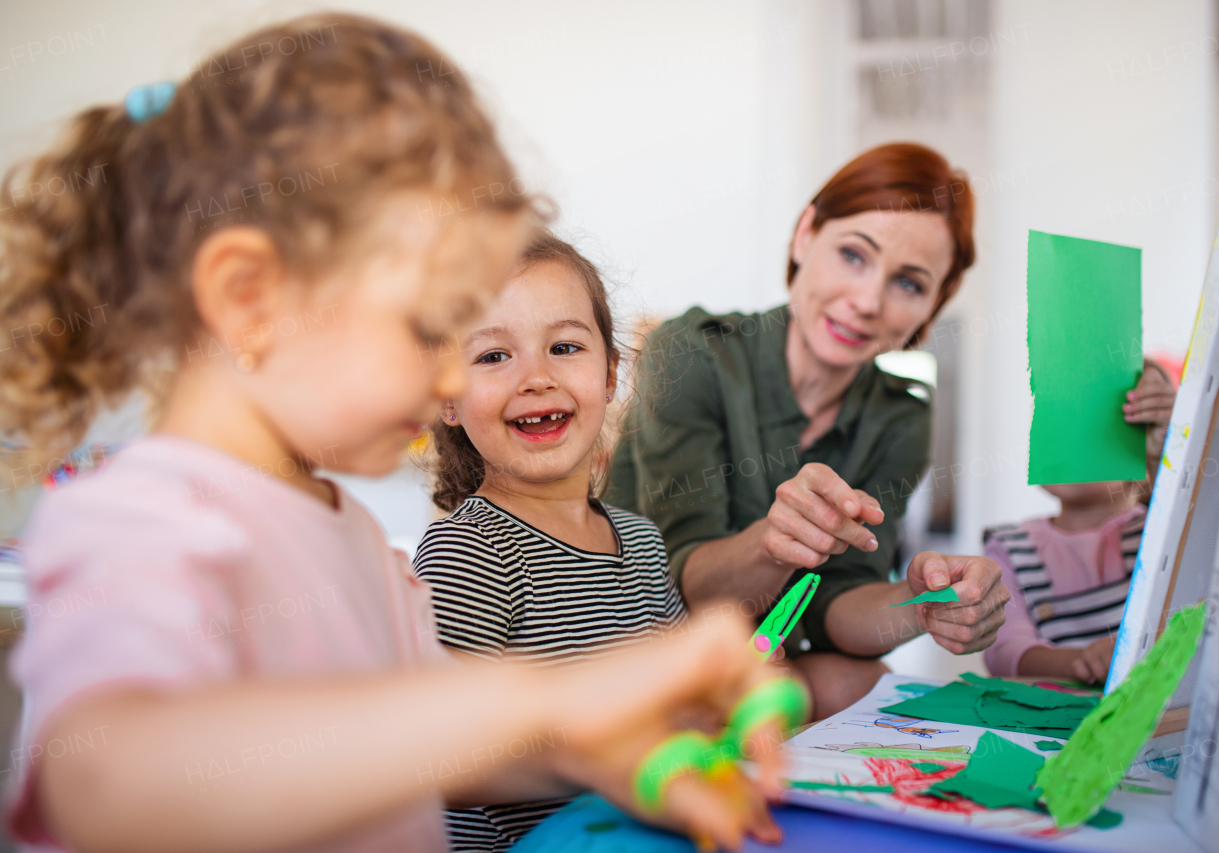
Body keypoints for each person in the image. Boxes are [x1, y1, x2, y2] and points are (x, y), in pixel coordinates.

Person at [0, 15, 784, 852]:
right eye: (427, 328)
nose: (452, 380)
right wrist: (546, 698)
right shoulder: (143, 521)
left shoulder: (358, 539)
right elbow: (109, 781)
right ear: (252, 299)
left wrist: (609, 752)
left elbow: (446, 750)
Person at [607, 143, 1011, 720]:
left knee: (864, 684)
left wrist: (925, 602)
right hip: (638, 637)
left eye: (909, 285)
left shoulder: (901, 416)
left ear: (930, 309)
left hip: (748, 657)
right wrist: (775, 541)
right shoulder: (691, 353)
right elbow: (691, 589)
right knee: (773, 693)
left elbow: (835, 608)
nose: (867, 301)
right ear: (805, 235)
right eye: (853, 254)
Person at [415, 231, 686, 851]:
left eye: (564, 346)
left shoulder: (642, 543)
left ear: (612, 373)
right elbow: (446, 759)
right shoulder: (467, 552)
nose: (536, 377)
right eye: (492, 357)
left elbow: (674, 708)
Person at [984, 359, 1176, 683]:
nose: (1067, 443)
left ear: (1146, 462)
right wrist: (1080, 661)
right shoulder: (1009, 548)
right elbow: (1003, 653)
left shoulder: (1154, 534)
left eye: (1094, 430)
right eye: (1054, 424)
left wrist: (1165, 446)